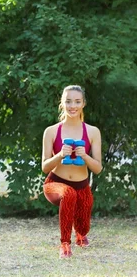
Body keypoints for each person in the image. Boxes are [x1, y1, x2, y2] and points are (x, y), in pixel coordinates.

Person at [41, 85, 102, 259]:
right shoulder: (51, 131)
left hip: (82, 186)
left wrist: (86, 157)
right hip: (54, 184)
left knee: (83, 227)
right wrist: (60, 155)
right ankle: (64, 244)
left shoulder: (92, 132)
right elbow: (45, 167)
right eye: (68, 101)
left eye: (77, 101)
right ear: (62, 103)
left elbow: (97, 168)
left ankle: (80, 234)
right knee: (68, 195)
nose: (72, 106)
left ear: (83, 104)